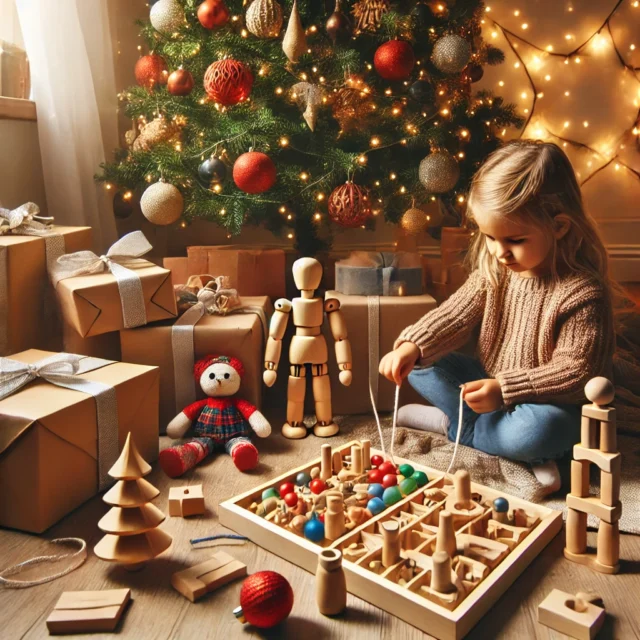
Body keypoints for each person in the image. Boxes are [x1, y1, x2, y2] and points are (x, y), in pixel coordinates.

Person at [379, 140, 615, 494]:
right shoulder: (497, 271)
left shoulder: (581, 292)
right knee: (423, 365)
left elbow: (577, 371)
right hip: (488, 387)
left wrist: (505, 390)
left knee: (542, 432)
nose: (499, 252)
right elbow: (455, 315)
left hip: (544, 405)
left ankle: (460, 427)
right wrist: (412, 344)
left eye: (515, 240)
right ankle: (493, 436)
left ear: (560, 227)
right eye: (489, 237)